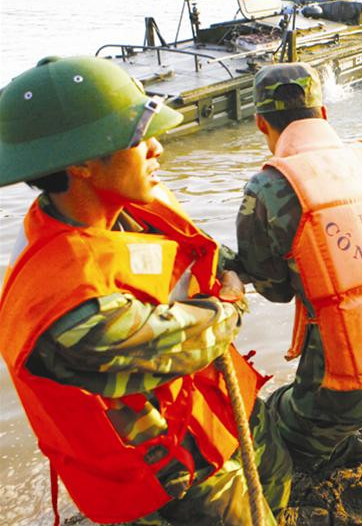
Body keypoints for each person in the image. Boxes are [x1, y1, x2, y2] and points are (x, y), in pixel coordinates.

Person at [0, 56, 292, 526]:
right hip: (170, 488)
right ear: (82, 165)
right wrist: (230, 302)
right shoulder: (66, 308)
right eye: (138, 139)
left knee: (275, 483)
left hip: (211, 419)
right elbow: (188, 339)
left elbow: (210, 259)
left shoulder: (128, 209)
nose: (158, 148)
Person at [235, 62, 362, 471]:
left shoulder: (268, 187)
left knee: (274, 422)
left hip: (344, 382)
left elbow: (275, 290)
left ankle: (347, 447)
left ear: (260, 124)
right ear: (323, 114)